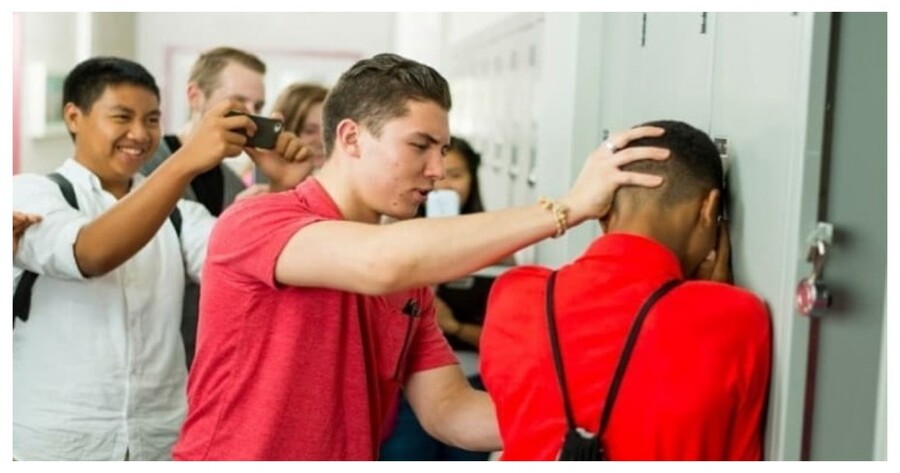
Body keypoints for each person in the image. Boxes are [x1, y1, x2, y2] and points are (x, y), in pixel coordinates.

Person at [172, 53, 670, 461]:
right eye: (420, 146)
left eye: (443, 149)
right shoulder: (257, 222)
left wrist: (595, 416)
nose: (437, 170)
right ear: (350, 138)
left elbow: (450, 409)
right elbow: (379, 262)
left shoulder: (408, 280)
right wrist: (568, 208)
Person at [12, 56, 308, 461]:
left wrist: (283, 190)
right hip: (54, 445)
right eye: (122, 117)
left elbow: (254, 267)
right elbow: (89, 254)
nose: (139, 134)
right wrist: (187, 160)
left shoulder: (181, 216)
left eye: (152, 120)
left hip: (159, 441)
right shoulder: (31, 194)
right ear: (74, 117)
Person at [479, 120, 771, 460]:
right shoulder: (737, 317)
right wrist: (709, 302)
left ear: (602, 212)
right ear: (708, 208)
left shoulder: (514, 296)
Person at [140, 46, 312, 367]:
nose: (250, 115)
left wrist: (280, 189)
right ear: (195, 96)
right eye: (238, 102)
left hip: (207, 355)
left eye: (258, 106)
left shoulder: (234, 183)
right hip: (151, 353)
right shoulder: (146, 167)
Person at [380, 136, 494, 461]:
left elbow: (507, 342)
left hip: (474, 384)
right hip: (406, 387)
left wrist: (454, 327)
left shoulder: (497, 248)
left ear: (473, 179)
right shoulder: (393, 243)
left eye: (456, 175)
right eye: (437, 176)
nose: (445, 185)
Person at [248, 82, 329, 193]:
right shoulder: (253, 190)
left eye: (329, 129)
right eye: (310, 131)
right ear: (286, 131)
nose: (322, 140)